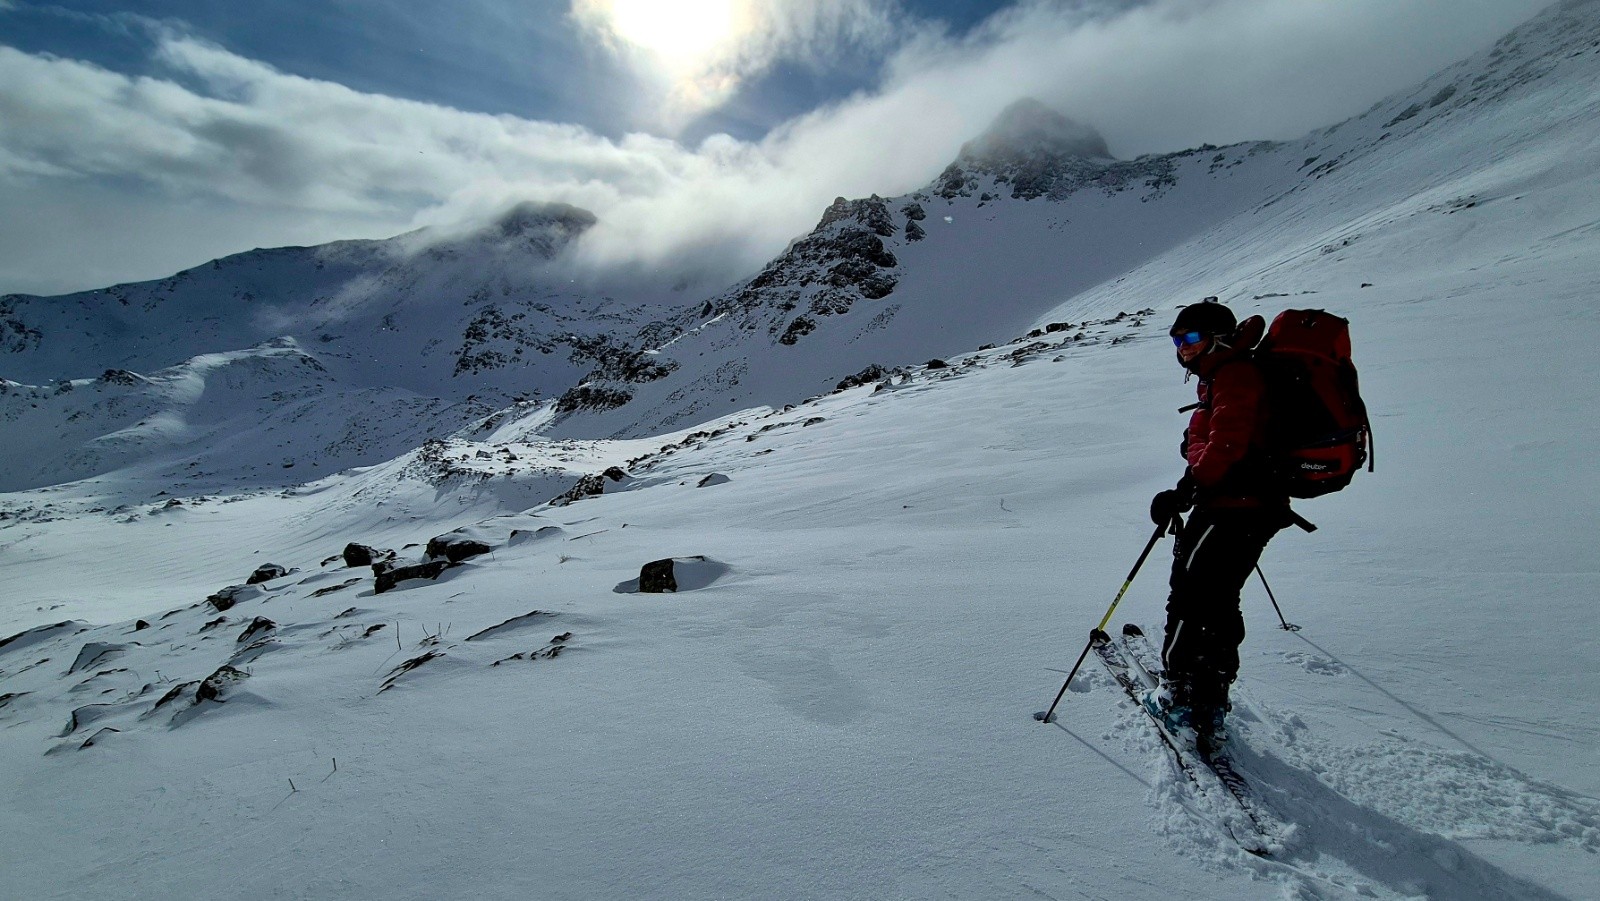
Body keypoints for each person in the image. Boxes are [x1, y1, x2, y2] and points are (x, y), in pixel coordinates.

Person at [1146, 298, 1287, 754]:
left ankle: (1179, 697)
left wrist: (1188, 487)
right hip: (1248, 506)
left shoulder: (1234, 374)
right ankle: (1211, 701)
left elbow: (1229, 440)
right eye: (1176, 339)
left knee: (1189, 596)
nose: (1182, 348)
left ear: (1219, 338)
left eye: (1191, 338)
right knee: (1219, 601)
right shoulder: (1224, 375)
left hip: (1230, 506)